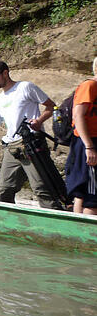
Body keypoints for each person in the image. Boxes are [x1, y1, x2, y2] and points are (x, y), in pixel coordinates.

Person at [0, 60, 57, 207]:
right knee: (4, 189)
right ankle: (9, 221)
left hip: (31, 143)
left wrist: (38, 121)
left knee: (41, 188)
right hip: (11, 147)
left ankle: (56, 219)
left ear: (5, 73)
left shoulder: (25, 87)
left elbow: (51, 106)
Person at [66, 57, 97, 214]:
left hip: (90, 141)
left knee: (84, 192)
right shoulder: (90, 86)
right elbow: (78, 116)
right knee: (92, 195)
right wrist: (89, 146)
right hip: (88, 141)